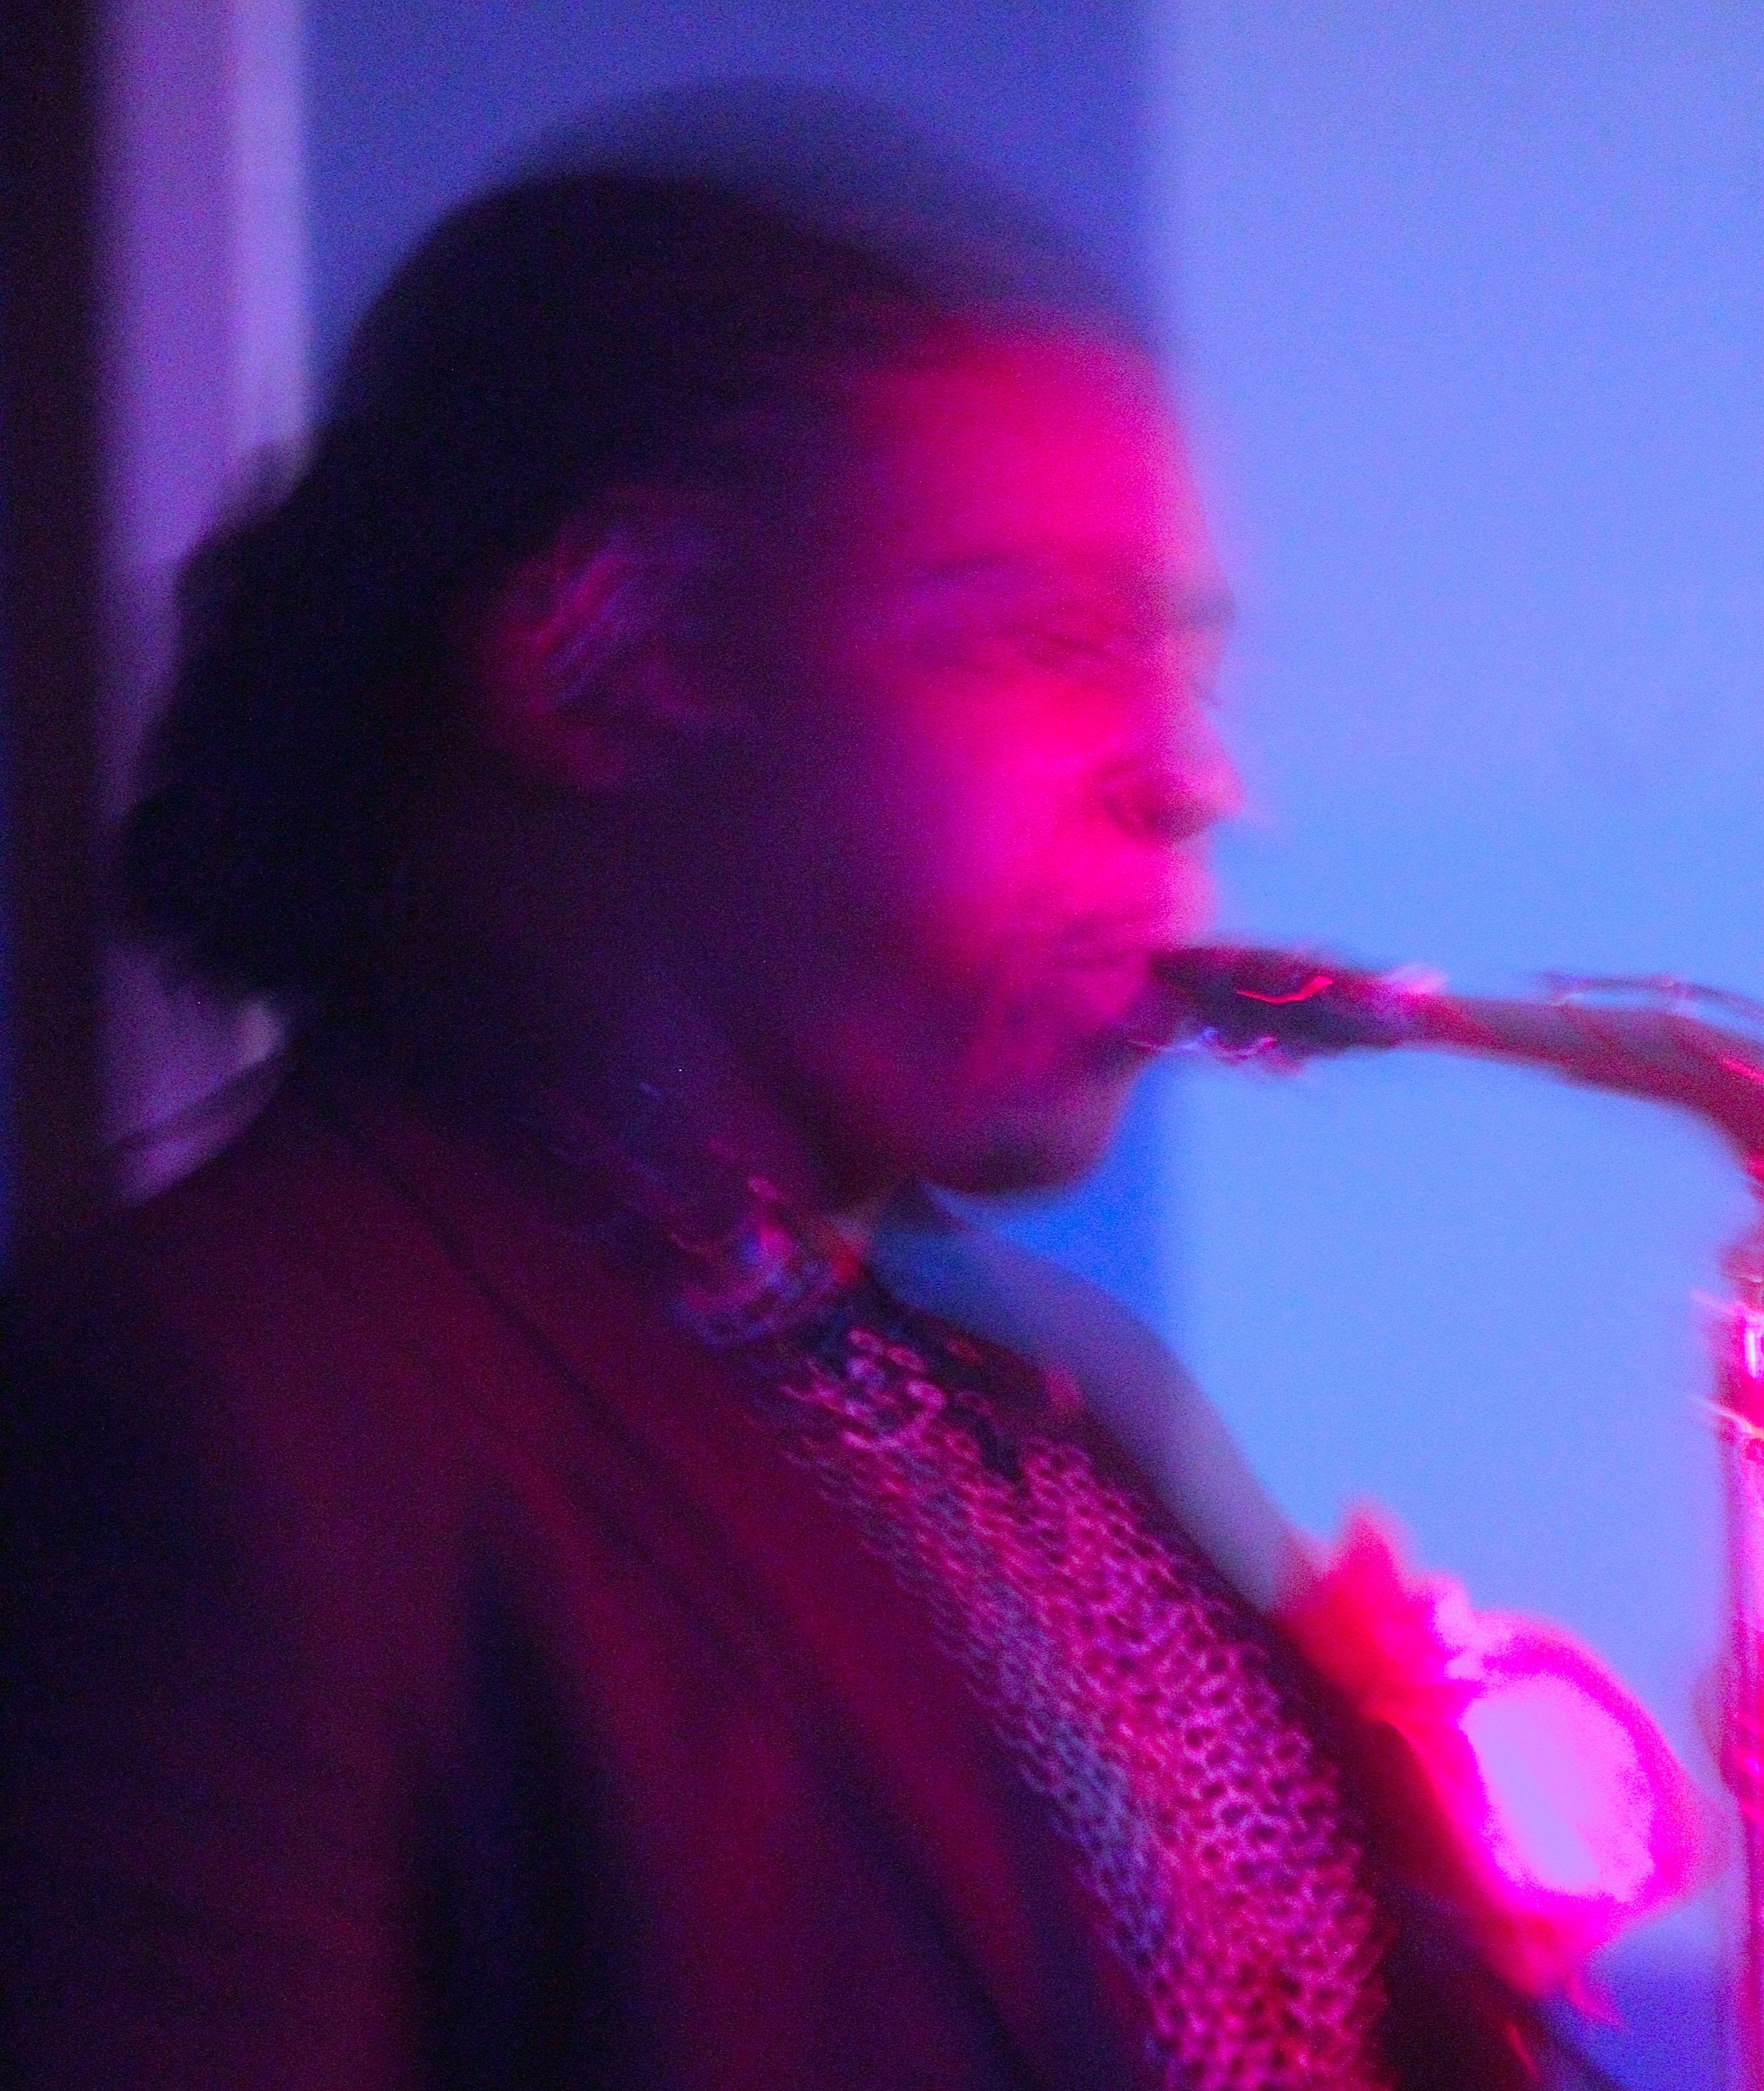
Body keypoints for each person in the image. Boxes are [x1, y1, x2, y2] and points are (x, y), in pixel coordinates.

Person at [1, 117, 1697, 2090]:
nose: (1192, 780)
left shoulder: (1037, 1406)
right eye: (1049, 641)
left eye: (1176, 670)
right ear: (614, 653)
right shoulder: (207, 1417)